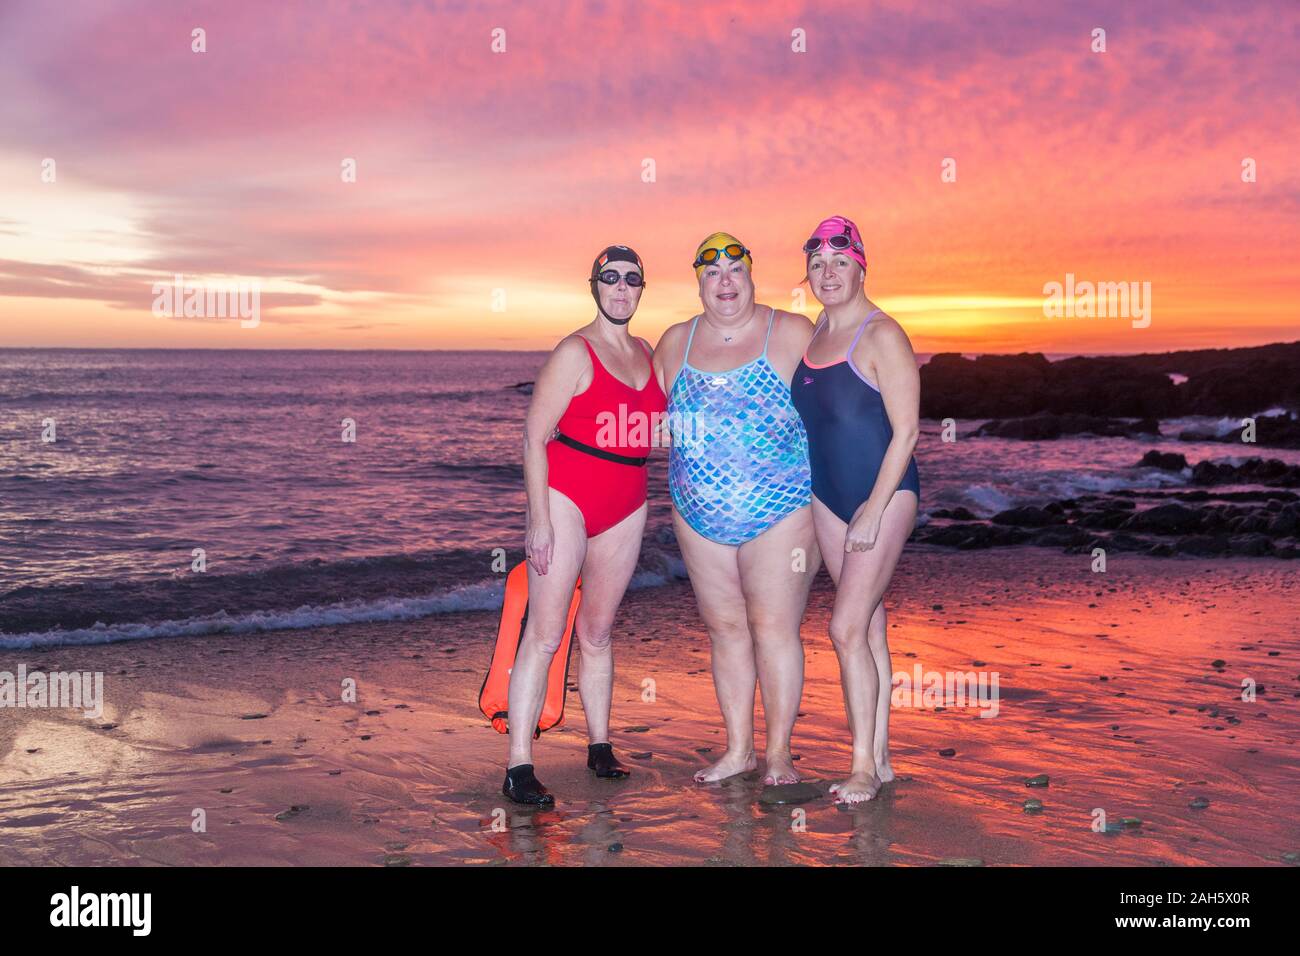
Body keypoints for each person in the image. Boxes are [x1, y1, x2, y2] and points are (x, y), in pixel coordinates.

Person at [653, 232, 820, 786]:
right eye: (712, 273)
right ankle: (738, 750)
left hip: (783, 507)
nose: (725, 282)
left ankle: (779, 754)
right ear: (699, 284)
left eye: (735, 271)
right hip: (697, 513)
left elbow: (840, 406)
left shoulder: (791, 332)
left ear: (751, 277)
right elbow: (641, 413)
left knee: (773, 627)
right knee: (725, 629)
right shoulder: (674, 342)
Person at [504, 245, 667, 806]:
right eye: (610, 277)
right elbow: (533, 438)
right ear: (594, 286)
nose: (621, 287)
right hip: (566, 497)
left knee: (597, 632)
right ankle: (518, 767)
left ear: (641, 288)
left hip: (628, 500)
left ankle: (600, 748)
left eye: (631, 279)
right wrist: (539, 522)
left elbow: (652, 427)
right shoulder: (574, 351)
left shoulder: (646, 353)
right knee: (547, 632)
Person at [790, 215, 920, 804]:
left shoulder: (882, 334)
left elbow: (907, 432)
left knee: (843, 628)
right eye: (817, 264)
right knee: (866, 624)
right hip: (826, 496)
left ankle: (862, 767)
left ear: (861, 267)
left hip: (884, 495)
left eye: (840, 261)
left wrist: (873, 508)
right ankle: (882, 758)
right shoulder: (816, 331)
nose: (828, 272)